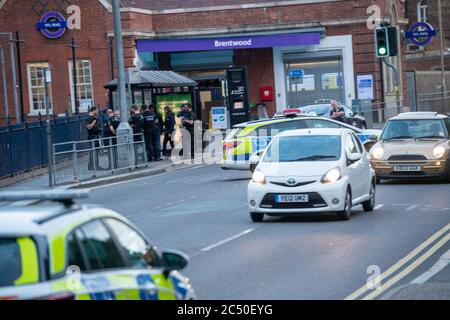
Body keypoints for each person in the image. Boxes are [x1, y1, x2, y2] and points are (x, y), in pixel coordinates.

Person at [86, 106, 101, 170]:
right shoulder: (89, 118)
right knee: (93, 151)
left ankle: (95, 165)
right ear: (94, 110)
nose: (97, 111)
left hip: (96, 136)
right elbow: (88, 127)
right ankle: (92, 166)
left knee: (96, 151)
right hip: (92, 137)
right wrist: (94, 122)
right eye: (97, 110)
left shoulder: (94, 117)